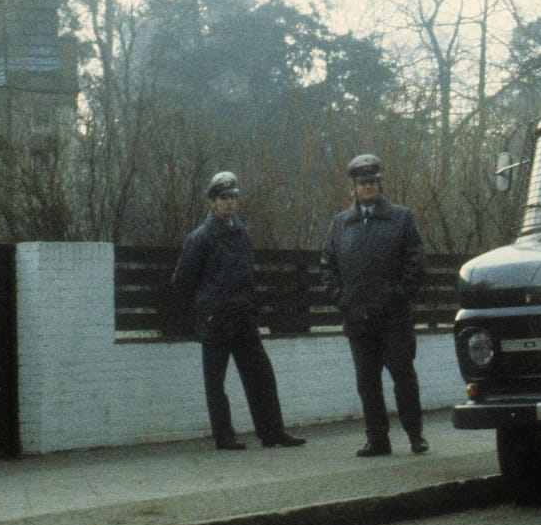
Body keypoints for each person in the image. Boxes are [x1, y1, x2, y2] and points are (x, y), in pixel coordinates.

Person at [171, 171, 305, 451]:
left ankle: (272, 432)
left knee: (262, 376)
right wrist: (206, 307)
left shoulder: (241, 232)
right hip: (216, 320)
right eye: (223, 198)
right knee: (216, 383)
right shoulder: (200, 238)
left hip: (243, 318)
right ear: (212, 202)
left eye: (233, 197)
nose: (229, 203)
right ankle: (224, 436)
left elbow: (247, 275)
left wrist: (250, 307)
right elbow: (182, 282)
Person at [321, 153, 430, 457]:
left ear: (380, 184)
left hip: (394, 318)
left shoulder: (401, 218)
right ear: (353, 187)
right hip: (358, 319)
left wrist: (398, 295)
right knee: (367, 385)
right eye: (362, 182)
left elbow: (415, 263)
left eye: (373, 181)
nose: (368, 187)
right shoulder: (341, 224)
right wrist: (341, 299)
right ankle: (377, 439)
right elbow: (327, 264)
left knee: (403, 379)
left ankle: (415, 435)